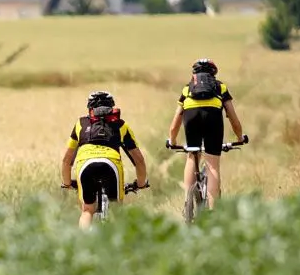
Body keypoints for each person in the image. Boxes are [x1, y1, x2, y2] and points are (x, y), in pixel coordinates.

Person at [60, 90, 148, 229]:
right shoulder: (121, 125)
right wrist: (141, 184)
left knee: (87, 210)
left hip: (86, 165)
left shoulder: (80, 124)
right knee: (116, 210)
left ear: (90, 109)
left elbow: (66, 160)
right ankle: (116, 240)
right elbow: (139, 160)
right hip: (111, 164)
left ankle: (82, 239)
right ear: (111, 107)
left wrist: (67, 183)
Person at [167, 58, 247, 210]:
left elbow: (175, 123)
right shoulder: (220, 87)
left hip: (191, 117)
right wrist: (240, 137)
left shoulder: (187, 89)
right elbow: (233, 118)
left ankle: (188, 203)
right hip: (213, 118)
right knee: (212, 165)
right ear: (213, 73)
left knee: (192, 156)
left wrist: (172, 140)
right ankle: (212, 211)